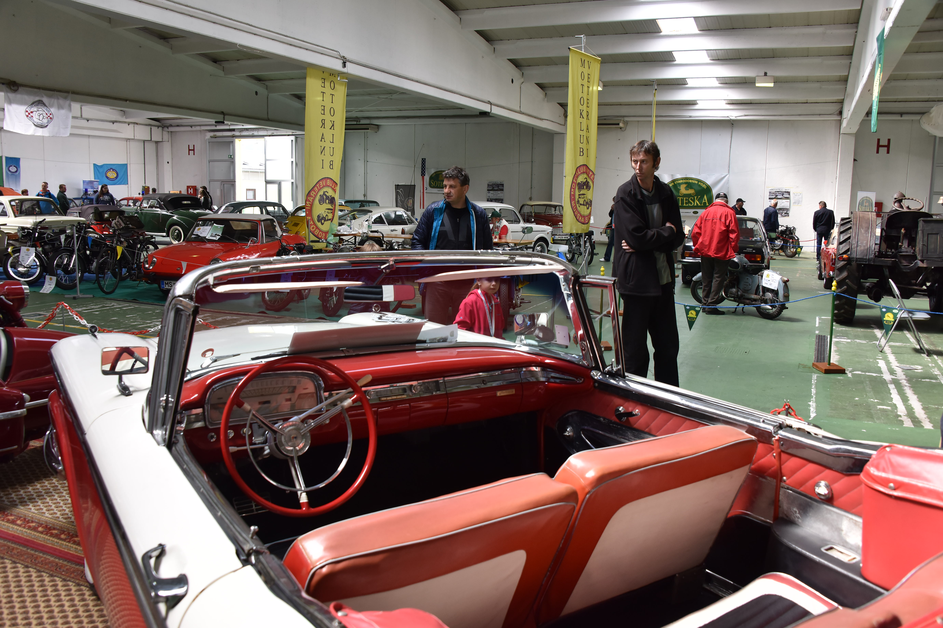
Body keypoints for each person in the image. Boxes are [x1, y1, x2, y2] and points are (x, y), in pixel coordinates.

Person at [613, 140, 684, 387]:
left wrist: (648, 241)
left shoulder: (666, 194)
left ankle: (668, 397)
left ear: (656, 163)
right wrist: (665, 232)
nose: (638, 167)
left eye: (644, 162)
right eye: (635, 161)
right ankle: (636, 396)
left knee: (668, 348)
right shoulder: (625, 194)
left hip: (663, 282)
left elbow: (678, 237)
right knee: (634, 353)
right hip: (636, 284)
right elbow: (635, 237)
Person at [411, 166, 494, 325]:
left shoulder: (478, 215)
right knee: (433, 329)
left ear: (465, 189)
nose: (446, 191)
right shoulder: (433, 211)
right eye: (445, 186)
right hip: (437, 283)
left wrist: (481, 280)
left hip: (467, 283)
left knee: (465, 330)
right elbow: (417, 242)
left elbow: (488, 250)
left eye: (452, 186)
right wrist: (427, 273)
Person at [690, 192, 739, 315]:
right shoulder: (729, 213)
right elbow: (734, 234)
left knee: (706, 277)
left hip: (705, 250)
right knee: (718, 277)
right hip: (722, 251)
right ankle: (711, 305)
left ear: (715, 200)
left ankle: (705, 303)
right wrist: (733, 249)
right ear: (726, 201)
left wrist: (698, 246)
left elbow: (695, 232)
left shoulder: (706, 212)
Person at [813, 200, 836, 279]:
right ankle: (826, 257)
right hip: (827, 230)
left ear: (820, 206)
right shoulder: (830, 212)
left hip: (819, 230)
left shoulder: (817, 212)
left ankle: (818, 258)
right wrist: (830, 229)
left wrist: (816, 229)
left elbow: (814, 222)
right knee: (827, 245)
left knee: (818, 244)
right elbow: (832, 222)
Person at [603, 197, 616, 262]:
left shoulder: (621, 207)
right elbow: (610, 215)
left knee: (618, 244)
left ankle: (616, 259)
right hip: (613, 227)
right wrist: (612, 209)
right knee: (610, 242)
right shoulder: (614, 207)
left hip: (619, 228)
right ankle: (607, 257)